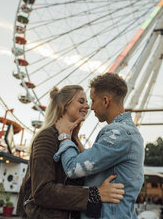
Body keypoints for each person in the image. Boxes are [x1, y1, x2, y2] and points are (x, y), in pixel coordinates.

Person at [17, 85, 125, 219]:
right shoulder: (47, 137)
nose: (87, 106)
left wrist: (75, 138)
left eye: (87, 102)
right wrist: (95, 194)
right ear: (65, 105)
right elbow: (42, 191)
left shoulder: (70, 141)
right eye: (81, 101)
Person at [54, 73, 144, 219]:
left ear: (105, 100)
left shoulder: (118, 133)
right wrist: (75, 138)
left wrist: (64, 135)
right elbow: (98, 163)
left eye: (93, 100)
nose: (91, 107)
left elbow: (73, 168)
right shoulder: (128, 133)